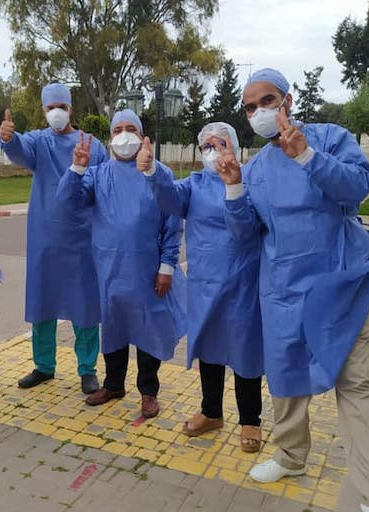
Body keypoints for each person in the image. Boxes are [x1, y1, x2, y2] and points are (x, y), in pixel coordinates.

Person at [218, 68, 369, 512]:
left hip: (338, 286)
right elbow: (246, 235)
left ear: (288, 100)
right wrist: (234, 187)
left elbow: (359, 188)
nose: (259, 111)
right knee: (286, 377)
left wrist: (308, 157)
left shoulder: (330, 138)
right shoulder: (257, 167)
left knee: (354, 383)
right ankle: (290, 457)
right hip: (283, 290)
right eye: (250, 107)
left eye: (267, 100)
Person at [57, 110, 185, 418]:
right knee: (113, 328)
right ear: (111, 137)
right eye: (118, 130)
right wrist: (76, 168)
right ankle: (113, 384)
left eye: (131, 129)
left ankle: (149, 392)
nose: (124, 135)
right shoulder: (98, 174)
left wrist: (167, 266)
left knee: (149, 329)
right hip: (110, 268)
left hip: (147, 270)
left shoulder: (159, 173)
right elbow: (67, 202)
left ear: (142, 137)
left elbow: (172, 222)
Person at [145, 121, 264, 452]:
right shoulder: (194, 184)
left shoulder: (252, 180)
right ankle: (211, 412)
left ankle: (250, 420)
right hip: (205, 283)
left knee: (245, 350)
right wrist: (153, 171)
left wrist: (234, 184)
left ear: (234, 146)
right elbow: (168, 198)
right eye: (207, 146)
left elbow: (248, 229)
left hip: (243, 281)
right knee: (209, 348)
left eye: (220, 144)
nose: (214, 152)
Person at [0, 83, 108, 394]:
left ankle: (87, 369)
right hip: (44, 238)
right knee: (43, 302)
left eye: (61, 106)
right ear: (43, 110)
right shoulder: (39, 141)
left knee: (85, 305)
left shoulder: (91, 144)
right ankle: (44, 365)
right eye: (50, 108)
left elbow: (103, 186)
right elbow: (19, 150)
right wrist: (7, 139)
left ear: (70, 108)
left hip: (82, 238)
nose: (56, 112)